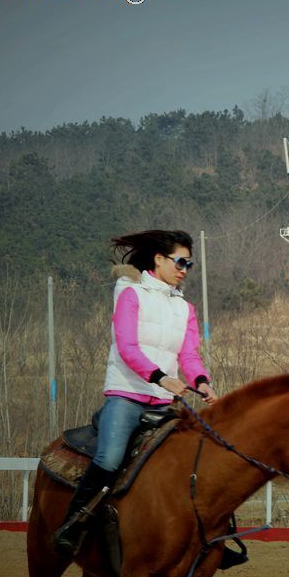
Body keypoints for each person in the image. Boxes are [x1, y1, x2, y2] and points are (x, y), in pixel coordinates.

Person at [54, 229, 218, 557]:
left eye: (190, 263)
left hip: (166, 401)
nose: (185, 268)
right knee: (110, 458)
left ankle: (212, 536)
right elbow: (127, 348)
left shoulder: (185, 309)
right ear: (159, 260)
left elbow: (188, 354)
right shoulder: (130, 294)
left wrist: (200, 380)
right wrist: (161, 377)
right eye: (180, 261)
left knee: (203, 457)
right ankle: (73, 523)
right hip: (126, 394)